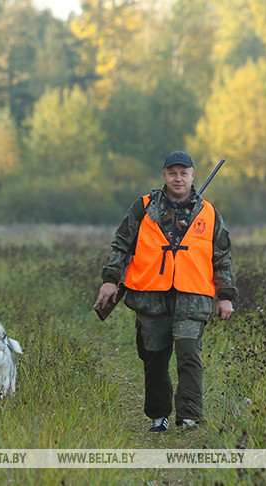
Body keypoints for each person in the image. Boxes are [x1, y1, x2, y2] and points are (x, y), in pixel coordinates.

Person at [94, 151, 236, 432]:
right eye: (173, 173)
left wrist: (227, 296)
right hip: (150, 295)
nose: (178, 178)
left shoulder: (208, 212)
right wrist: (111, 278)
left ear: (193, 175)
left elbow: (222, 256)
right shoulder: (144, 207)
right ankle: (159, 416)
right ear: (164, 176)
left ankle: (189, 416)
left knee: (188, 354)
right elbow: (121, 243)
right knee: (154, 357)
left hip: (193, 297)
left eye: (184, 173)